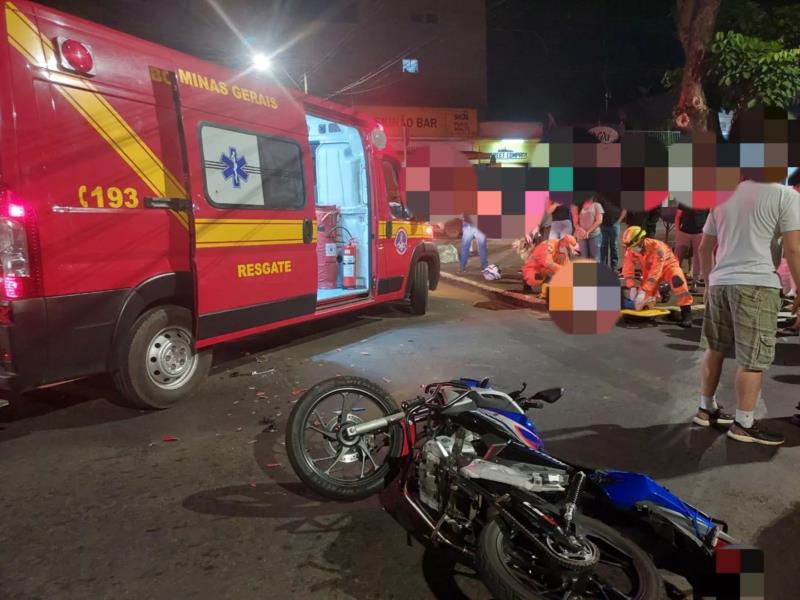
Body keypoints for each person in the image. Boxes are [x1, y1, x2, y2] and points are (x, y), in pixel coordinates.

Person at [695, 176, 800, 445]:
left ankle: (706, 409)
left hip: (720, 283)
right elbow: (793, 249)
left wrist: (709, 283)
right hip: (756, 283)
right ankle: (744, 423)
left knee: (715, 348)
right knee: (753, 358)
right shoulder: (785, 195)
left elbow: (705, 247)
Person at [621, 226, 693, 327]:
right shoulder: (631, 249)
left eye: (635, 246)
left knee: (678, 282)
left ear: (641, 239)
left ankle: (686, 313)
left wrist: (644, 290)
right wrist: (631, 286)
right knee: (640, 306)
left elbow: (656, 271)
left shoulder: (658, 247)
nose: (633, 249)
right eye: (631, 247)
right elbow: (627, 268)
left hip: (669, 266)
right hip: (650, 271)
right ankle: (663, 289)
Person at [674, 206, 709, 293]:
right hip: (684, 232)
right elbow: (678, 216)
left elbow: (710, 218)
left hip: (699, 233)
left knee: (698, 259)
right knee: (677, 257)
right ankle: (673, 279)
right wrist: (678, 231)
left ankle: (695, 282)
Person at [598, 195, 627, 271]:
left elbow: (624, 209)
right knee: (603, 246)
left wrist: (618, 221)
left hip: (614, 225)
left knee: (614, 246)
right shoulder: (601, 197)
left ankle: (614, 267)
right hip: (603, 225)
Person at [573, 195, 604, 259]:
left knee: (595, 258)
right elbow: (575, 222)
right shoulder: (579, 206)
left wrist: (587, 232)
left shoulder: (597, 205)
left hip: (594, 235)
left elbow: (599, 221)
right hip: (581, 237)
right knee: (584, 258)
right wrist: (581, 230)